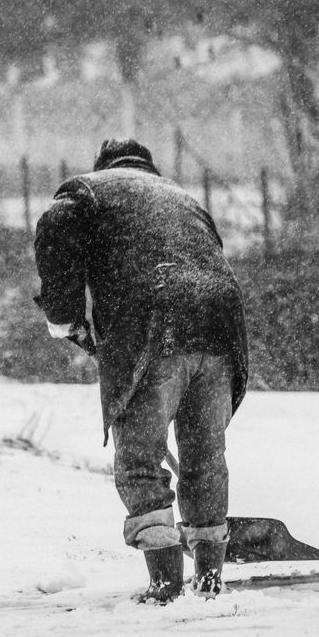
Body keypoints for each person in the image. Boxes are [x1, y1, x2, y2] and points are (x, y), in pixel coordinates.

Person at [34, 138, 248, 605]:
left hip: (153, 324)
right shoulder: (181, 196)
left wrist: (66, 317)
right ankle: (209, 577)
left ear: (103, 166)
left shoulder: (88, 192)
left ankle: (167, 583)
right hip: (221, 326)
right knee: (204, 454)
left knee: (140, 460)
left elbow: (54, 225)